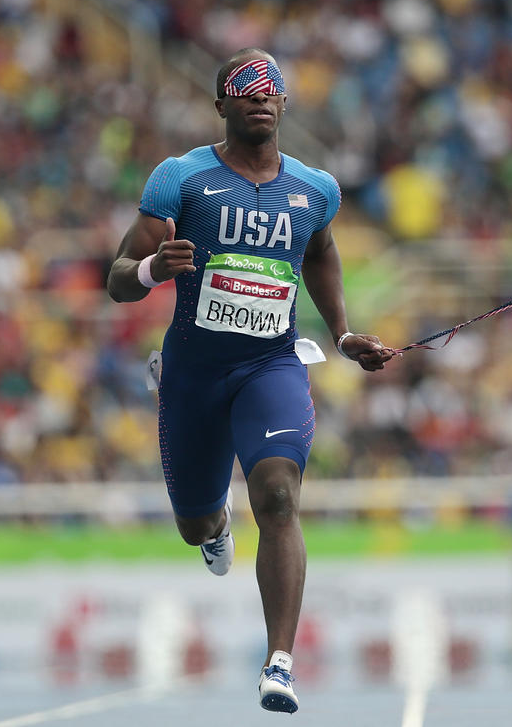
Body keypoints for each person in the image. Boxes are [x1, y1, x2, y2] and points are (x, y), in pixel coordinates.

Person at [107, 47, 394, 712]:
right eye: (244, 87)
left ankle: (279, 663)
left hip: (272, 364)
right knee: (195, 524)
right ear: (221, 105)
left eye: (271, 88)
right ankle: (214, 527)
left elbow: (319, 253)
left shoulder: (315, 189)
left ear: (285, 105)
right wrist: (154, 269)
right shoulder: (180, 179)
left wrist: (344, 332)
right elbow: (119, 274)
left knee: (279, 496)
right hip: (193, 373)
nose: (260, 96)